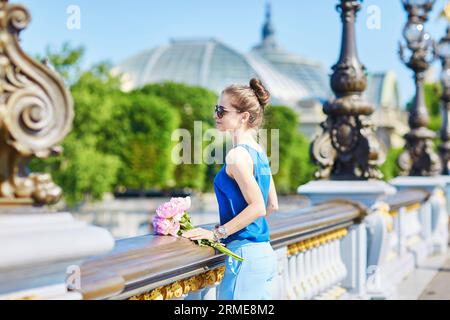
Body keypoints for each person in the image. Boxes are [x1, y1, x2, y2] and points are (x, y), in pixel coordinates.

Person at [182, 78, 279, 300]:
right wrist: (238, 225)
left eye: (221, 110)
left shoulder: (236, 156)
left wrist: (219, 233)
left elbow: (258, 208)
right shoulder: (260, 152)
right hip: (263, 254)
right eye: (216, 109)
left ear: (243, 117)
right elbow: (272, 204)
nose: (216, 115)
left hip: (244, 257)